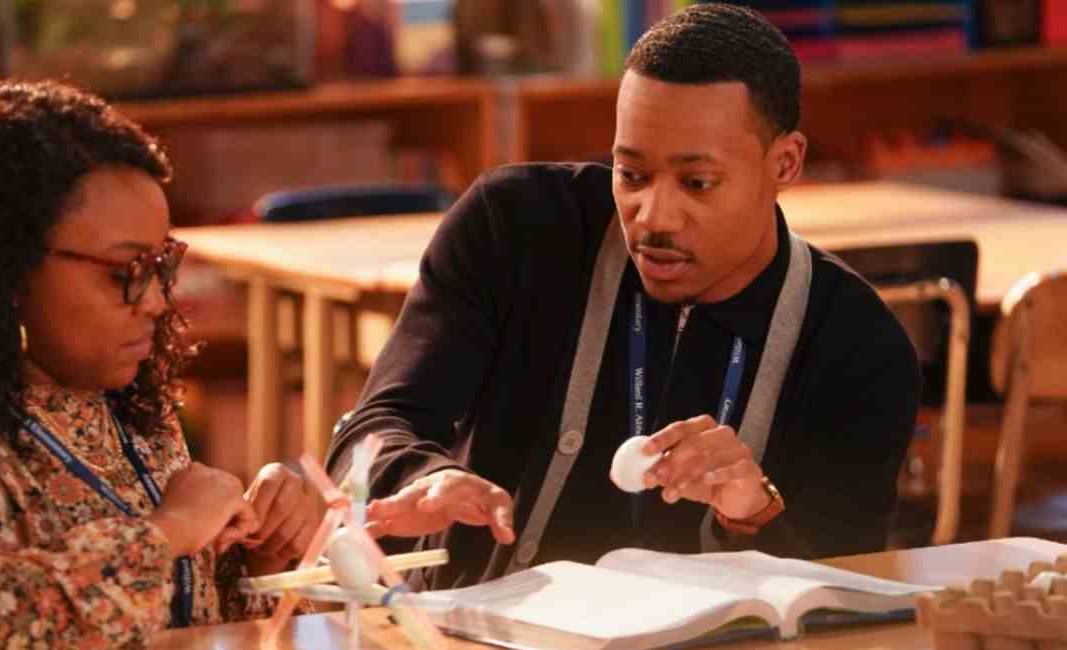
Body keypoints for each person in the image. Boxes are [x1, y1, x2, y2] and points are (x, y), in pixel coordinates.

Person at [327, 3, 921, 591]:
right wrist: (425, 474)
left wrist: (752, 511)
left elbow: (844, 598)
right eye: (631, 175)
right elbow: (369, 434)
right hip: (476, 646)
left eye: (697, 183)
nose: (653, 217)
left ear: (785, 163)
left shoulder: (859, 346)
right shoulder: (513, 228)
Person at [0, 80, 321, 650]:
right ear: (4, 272)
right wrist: (169, 532)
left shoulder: (129, 416)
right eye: (125, 271)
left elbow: (181, 630)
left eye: (162, 265)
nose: (158, 300)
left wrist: (264, 564)